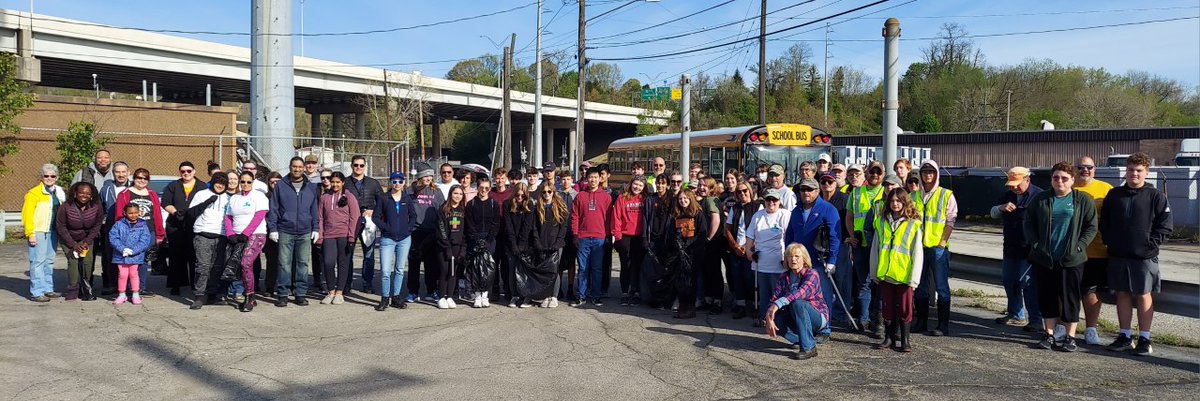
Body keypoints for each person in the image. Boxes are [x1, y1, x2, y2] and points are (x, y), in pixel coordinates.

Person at [1101, 152, 1172, 356]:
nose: (1134, 174)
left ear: (1146, 172)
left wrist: (1149, 247)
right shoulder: (1114, 195)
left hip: (1144, 257)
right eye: (1131, 170)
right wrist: (1110, 242)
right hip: (1118, 255)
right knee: (1122, 294)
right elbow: (1104, 223)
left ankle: (1144, 339)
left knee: (1142, 295)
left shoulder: (1156, 196)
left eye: (1139, 170)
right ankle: (1124, 336)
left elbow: (1165, 227)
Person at [1023, 162, 1097, 352]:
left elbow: (1091, 227)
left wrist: (1079, 247)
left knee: (1070, 297)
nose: (1060, 182)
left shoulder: (1082, 200)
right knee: (1047, 296)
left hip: (1071, 259)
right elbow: (1029, 223)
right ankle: (1049, 334)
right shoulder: (1041, 199)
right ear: (1051, 179)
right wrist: (1036, 245)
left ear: (1073, 180)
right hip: (1045, 258)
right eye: (1056, 178)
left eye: (1065, 178)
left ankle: (1070, 337)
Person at [783, 178, 841, 341]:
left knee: (823, 296)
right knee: (800, 296)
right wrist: (787, 256)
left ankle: (825, 329)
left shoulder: (828, 209)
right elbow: (789, 235)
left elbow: (835, 237)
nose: (806, 193)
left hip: (819, 261)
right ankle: (806, 327)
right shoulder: (796, 211)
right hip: (798, 263)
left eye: (809, 189)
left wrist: (832, 260)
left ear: (817, 191)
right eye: (803, 190)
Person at [869, 188, 924, 353]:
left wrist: (914, 278)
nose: (895, 204)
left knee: (905, 308)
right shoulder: (881, 222)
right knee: (888, 307)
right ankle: (889, 337)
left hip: (904, 275)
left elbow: (917, 252)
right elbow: (876, 249)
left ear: (904, 203)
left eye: (898, 201)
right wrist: (874, 272)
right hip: (886, 274)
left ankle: (905, 340)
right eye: (892, 201)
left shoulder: (913, 224)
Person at [990, 167, 1044, 332]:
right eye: (1011, 185)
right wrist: (1001, 208)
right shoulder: (1007, 196)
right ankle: (1016, 314)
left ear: (1027, 180)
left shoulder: (1040, 196)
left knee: (1027, 284)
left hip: (1029, 250)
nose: (1014, 188)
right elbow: (992, 213)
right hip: (1011, 246)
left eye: (1017, 184)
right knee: (1009, 281)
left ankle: (1035, 319)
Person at [912, 160, 958, 336]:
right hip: (919, 248)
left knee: (941, 286)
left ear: (936, 174)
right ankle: (922, 322)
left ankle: (942, 325)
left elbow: (950, 220)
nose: (928, 175)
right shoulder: (913, 196)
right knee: (920, 285)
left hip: (938, 247)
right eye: (924, 172)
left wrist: (943, 242)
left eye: (931, 172)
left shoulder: (946, 195)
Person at [1071, 156, 1114, 345]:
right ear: (1074, 169)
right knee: (1068, 292)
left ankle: (1090, 330)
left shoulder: (1106, 190)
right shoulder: (1066, 186)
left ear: (1095, 169)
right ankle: (1066, 328)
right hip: (1070, 251)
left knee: (1091, 293)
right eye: (1080, 167)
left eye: (1089, 167)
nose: (1085, 170)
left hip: (1097, 250)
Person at [268, 157, 321, 307]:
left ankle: (300, 294)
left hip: (305, 231)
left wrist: (315, 228)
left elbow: (314, 209)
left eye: (299, 167)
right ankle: (283, 294)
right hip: (285, 230)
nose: (297, 169)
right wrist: (273, 228)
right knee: (284, 264)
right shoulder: (281, 186)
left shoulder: (310, 187)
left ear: (304, 168)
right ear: (290, 167)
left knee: (303, 264)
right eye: (294, 166)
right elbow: (274, 208)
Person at [766, 243, 829, 360]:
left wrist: (777, 304)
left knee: (798, 303)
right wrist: (769, 315)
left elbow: (800, 293)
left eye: (797, 256)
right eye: (790, 256)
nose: (793, 259)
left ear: (804, 258)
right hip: (796, 315)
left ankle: (809, 347)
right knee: (776, 317)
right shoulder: (784, 277)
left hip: (817, 317)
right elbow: (774, 298)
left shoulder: (812, 274)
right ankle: (803, 339)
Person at [844, 161, 884, 331]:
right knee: (863, 283)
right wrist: (852, 236)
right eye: (871, 171)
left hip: (881, 245)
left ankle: (879, 319)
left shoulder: (887, 192)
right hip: (861, 244)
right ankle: (863, 318)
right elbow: (849, 217)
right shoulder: (857, 192)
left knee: (879, 283)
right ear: (866, 174)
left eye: (878, 172)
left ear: (882, 174)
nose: (874, 174)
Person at [113, 168, 166, 298]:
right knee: (129, 259)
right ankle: (126, 288)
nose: (142, 180)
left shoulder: (152, 194)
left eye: (145, 178)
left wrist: (159, 234)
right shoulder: (125, 194)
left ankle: (140, 287)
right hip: (130, 232)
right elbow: (119, 215)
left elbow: (157, 215)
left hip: (148, 231)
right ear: (134, 178)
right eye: (139, 177)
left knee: (143, 260)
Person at [743, 189, 792, 326]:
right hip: (760, 262)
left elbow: (788, 237)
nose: (771, 202)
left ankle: (779, 319)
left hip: (779, 262)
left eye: (774, 200)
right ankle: (764, 317)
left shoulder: (785, 214)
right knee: (763, 293)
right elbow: (750, 237)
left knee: (778, 292)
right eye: (768, 200)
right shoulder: (758, 216)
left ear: (779, 201)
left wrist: (787, 258)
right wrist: (748, 252)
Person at [225, 171, 270, 312]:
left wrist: (246, 233)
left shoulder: (259, 196)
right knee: (239, 265)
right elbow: (228, 217)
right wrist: (230, 233)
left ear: (253, 182)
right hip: (238, 235)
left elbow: (259, 216)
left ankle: (249, 296)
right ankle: (246, 293)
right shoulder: (234, 198)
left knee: (246, 263)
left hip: (256, 234)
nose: (245, 184)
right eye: (242, 181)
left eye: (248, 182)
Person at [161, 161, 208, 296]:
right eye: (183, 171)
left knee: (195, 256)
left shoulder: (202, 186)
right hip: (176, 225)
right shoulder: (173, 186)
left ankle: (196, 285)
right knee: (176, 256)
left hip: (195, 226)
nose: (186, 173)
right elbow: (165, 202)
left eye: (188, 171)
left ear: (194, 171)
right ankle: (176, 284)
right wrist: (175, 212)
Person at [184, 172, 230, 309]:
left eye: (223, 182)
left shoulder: (229, 198)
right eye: (217, 181)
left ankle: (211, 295)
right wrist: (207, 202)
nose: (220, 185)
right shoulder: (201, 194)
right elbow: (190, 213)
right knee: (202, 267)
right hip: (203, 235)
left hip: (221, 236)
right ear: (212, 181)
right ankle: (199, 296)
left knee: (217, 268)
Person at [372, 172, 416, 311]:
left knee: (399, 269)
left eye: (400, 181)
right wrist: (386, 228)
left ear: (404, 183)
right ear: (391, 182)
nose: (397, 184)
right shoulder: (384, 198)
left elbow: (413, 216)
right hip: (387, 239)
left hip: (404, 239)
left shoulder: (407, 198)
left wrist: (409, 228)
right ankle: (385, 298)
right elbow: (376, 217)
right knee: (385, 271)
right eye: (394, 181)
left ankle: (396, 297)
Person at [663, 189, 709, 318]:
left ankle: (690, 307)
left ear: (691, 199)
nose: (683, 201)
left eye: (685, 199)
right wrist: (677, 246)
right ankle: (682, 305)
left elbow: (702, 234)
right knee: (680, 281)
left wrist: (689, 245)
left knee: (691, 281)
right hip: (679, 253)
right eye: (680, 199)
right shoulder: (676, 214)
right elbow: (671, 233)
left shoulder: (698, 214)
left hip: (693, 254)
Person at [570, 168, 613, 307]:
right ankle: (581, 296)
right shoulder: (580, 196)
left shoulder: (606, 197)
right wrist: (575, 235)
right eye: (590, 177)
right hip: (583, 237)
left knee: (597, 268)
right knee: (582, 269)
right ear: (586, 179)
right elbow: (574, 217)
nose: (593, 180)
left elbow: (609, 219)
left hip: (599, 238)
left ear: (600, 179)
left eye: (595, 177)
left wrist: (608, 235)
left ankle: (596, 295)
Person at [317, 172, 360, 306]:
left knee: (343, 263)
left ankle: (339, 292)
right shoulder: (325, 197)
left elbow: (355, 217)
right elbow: (320, 218)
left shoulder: (349, 197)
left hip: (344, 236)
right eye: (333, 182)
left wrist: (352, 236)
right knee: (328, 262)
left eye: (338, 182)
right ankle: (331, 291)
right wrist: (320, 236)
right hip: (329, 235)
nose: (335, 184)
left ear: (342, 183)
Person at [55, 181, 103, 301]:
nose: (84, 195)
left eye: (87, 193)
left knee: (87, 262)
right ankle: (73, 288)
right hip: (68, 238)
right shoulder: (66, 207)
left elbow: (97, 225)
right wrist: (73, 245)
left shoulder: (96, 205)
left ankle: (85, 288)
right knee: (73, 261)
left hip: (86, 238)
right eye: (81, 193)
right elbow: (61, 226)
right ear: (75, 193)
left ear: (91, 195)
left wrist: (86, 242)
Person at [342, 155, 383, 293]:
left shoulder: (373, 183)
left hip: (368, 223)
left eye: (361, 165)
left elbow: (382, 202)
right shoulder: (345, 183)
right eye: (356, 165)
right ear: (351, 166)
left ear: (365, 166)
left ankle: (367, 282)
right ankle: (347, 283)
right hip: (350, 222)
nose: (358, 168)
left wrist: (373, 210)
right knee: (348, 254)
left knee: (369, 254)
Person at [405, 169, 445, 302]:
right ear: (420, 177)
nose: (428, 178)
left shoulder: (436, 191)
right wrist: (418, 187)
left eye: (430, 176)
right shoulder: (411, 190)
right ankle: (412, 292)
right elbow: (406, 204)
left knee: (431, 264)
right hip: (415, 231)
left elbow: (442, 210)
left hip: (432, 231)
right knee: (414, 263)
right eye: (425, 175)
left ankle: (431, 290)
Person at [818, 172, 851, 326]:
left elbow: (849, 220)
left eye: (830, 182)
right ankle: (826, 311)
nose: (826, 185)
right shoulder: (816, 199)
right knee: (823, 281)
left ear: (835, 184)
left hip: (840, 244)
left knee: (841, 280)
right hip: (820, 246)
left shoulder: (844, 199)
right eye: (823, 182)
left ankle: (842, 313)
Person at [726, 180, 762, 319]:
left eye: (744, 191)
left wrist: (749, 247)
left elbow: (760, 229)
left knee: (750, 278)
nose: (742, 194)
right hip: (736, 249)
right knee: (737, 278)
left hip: (751, 249)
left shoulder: (758, 206)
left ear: (750, 191)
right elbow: (727, 228)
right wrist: (735, 245)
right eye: (739, 192)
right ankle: (740, 305)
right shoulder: (734, 208)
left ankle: (754, 304)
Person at [464, 176, 500, 308]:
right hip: (475, 238)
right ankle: (477, 295)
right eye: (481, 187)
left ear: (490, 188)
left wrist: (489, 240)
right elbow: (469, 223)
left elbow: (496, 223)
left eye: (487, 188)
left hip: (489, 239)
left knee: (488, 268)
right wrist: (476, 239)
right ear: (477, 188)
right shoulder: (471, 204)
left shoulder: (493, 204)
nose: (484, 190)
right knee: (475, 268)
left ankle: (485, 294)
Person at [612, 176, 647, 306]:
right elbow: (616, 217)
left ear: (643, 188)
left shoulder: (645, 199)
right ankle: (625, 293)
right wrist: (618, 236)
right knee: (625, 266)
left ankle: (636, 292)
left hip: (639, 237)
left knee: (637, 266)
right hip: (625, 236)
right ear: (631, 184)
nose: (637, 187)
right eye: (635, 184)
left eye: (640, 185)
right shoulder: (622, 198)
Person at [533, 182, 569, 308]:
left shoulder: (560, 206)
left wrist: (558, 242)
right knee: (545, 271)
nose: (547, 194)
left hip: (555, 244)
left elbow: (563, 227)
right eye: (544, 192)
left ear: (553, 192)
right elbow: (535, 228)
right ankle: (546, 295)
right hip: (542, 244)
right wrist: (537, 242)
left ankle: (554, 296)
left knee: (555, 270)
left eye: (549, 191)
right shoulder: (538, 207)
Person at [109, 203, 154, 306]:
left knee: (134, 274)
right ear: (124, 213)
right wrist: (122, 249)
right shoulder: (118, 224)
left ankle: (135, 293)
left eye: (135, 213)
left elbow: (145, 240)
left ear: (139, 213)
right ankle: (121, 294)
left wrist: (133, 251)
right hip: (121, 255)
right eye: (130, 213)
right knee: (123, 274)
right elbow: (113, 238)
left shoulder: (143, 225)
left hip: (136, 255)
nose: (133, 215)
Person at [99, 161, 132, 295]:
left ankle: (130, 285)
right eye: (117, 172)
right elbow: (101, 208)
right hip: (111, 228)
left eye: (123, 172)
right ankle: (112, 284)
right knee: (110, 256)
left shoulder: (133, 188)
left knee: (129, 256)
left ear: (128, 173)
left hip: (130, 228)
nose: (121, 174)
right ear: (113, 173)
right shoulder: (106, 189)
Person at [693, 177, 725, 313]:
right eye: (700, 185)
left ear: (711, 187)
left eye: (705, 186)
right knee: (708, 271)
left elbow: (715, 220)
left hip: (713, 242)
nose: (701, 188)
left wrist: (708, 238)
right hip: (710, 242)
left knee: (713, 272)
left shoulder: (711, 200)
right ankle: (710, 299)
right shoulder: (709, 200)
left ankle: (716, 301)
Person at [502, 183, 536, 308]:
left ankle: (526, 296)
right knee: (512, 270)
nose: (520, 197)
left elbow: (527, 227)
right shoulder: (507, 204)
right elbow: (508, 226)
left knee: (525, 271)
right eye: (517, 195)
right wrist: (514, 245)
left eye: (523, 195)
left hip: (526, 244)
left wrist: (521, 245)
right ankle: (514, 295)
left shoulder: (530, 205)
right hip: (511, 243)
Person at [434, 185, 467, 309]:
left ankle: (450, 296)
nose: (457, 196)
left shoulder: (463, 210)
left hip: (457, 246)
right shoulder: (443, 208)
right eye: (455, 193)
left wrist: (463, 248)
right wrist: (447, 247)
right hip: (444, 246)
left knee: (453, 272)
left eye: (460, 194)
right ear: (450, 194)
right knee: (444, 270)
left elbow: (464, 231)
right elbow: (441, 229)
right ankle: (442, 296)